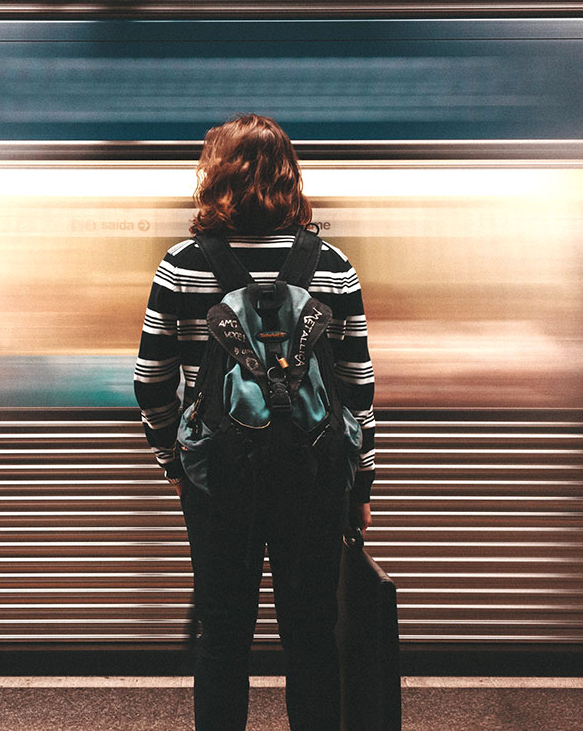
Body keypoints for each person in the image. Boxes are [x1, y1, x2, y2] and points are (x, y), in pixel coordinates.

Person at [134, 113, 376, 731]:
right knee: (313, 635)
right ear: (290, 178)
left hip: (217, 483)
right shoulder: (332, 264)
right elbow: (358, 387)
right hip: (315, 479)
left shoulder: (181, 265)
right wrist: (361, 485)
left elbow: (150, 381)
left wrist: (174, 464)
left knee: (222, 636)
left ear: (214, 177)